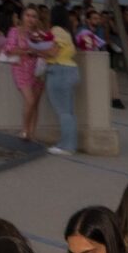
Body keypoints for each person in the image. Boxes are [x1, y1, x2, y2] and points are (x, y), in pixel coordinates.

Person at [5, 6, 53, 141]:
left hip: (37, 69)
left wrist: (41, 50)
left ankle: (32, 133)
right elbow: (9, 48)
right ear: (22, 16)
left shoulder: (40, 34)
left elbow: (48, 50)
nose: (30, 19)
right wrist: (27, 51)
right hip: (20, 68)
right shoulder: (14, 31)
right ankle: (25, 129)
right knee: (29, 100)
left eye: (34, 16)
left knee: (35, 103)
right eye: (28, 15)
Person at [40, 9, 80, 156]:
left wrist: (35, 49)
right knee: (68, 112)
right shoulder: (68, 33)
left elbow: (52, 52)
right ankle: (67, 143)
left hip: (58, 71)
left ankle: (67, 146)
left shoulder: (56, 30)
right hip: (70, 70)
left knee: (63, 112)